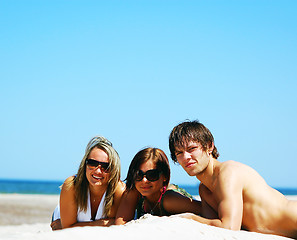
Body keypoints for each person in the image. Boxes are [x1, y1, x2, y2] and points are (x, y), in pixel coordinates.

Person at [169, 120, 297, 239]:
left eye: (192, 149)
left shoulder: (228, 173)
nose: (185, 157)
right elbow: (213, 226)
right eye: (179, 153)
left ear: (209, 146)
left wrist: (190, 217)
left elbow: (229, 227)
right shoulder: (204, 190)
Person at [50, 136, 125, 230]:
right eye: (92, 163)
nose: (98, 171)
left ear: (114, 170)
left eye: (105, 166)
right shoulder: (71, 185)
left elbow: (117, 224)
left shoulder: (118, 190)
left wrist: (71, 225)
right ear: (84, 164)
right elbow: (68, 229)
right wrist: (103, 223)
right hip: (61, 215)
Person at [115, 147, 202, 225]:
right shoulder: (135, 192)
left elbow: (204, 209)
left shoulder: (170, 200)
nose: (144, 180)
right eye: (138, 175)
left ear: (165, 176)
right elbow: (120, 224)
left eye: (152, 175)